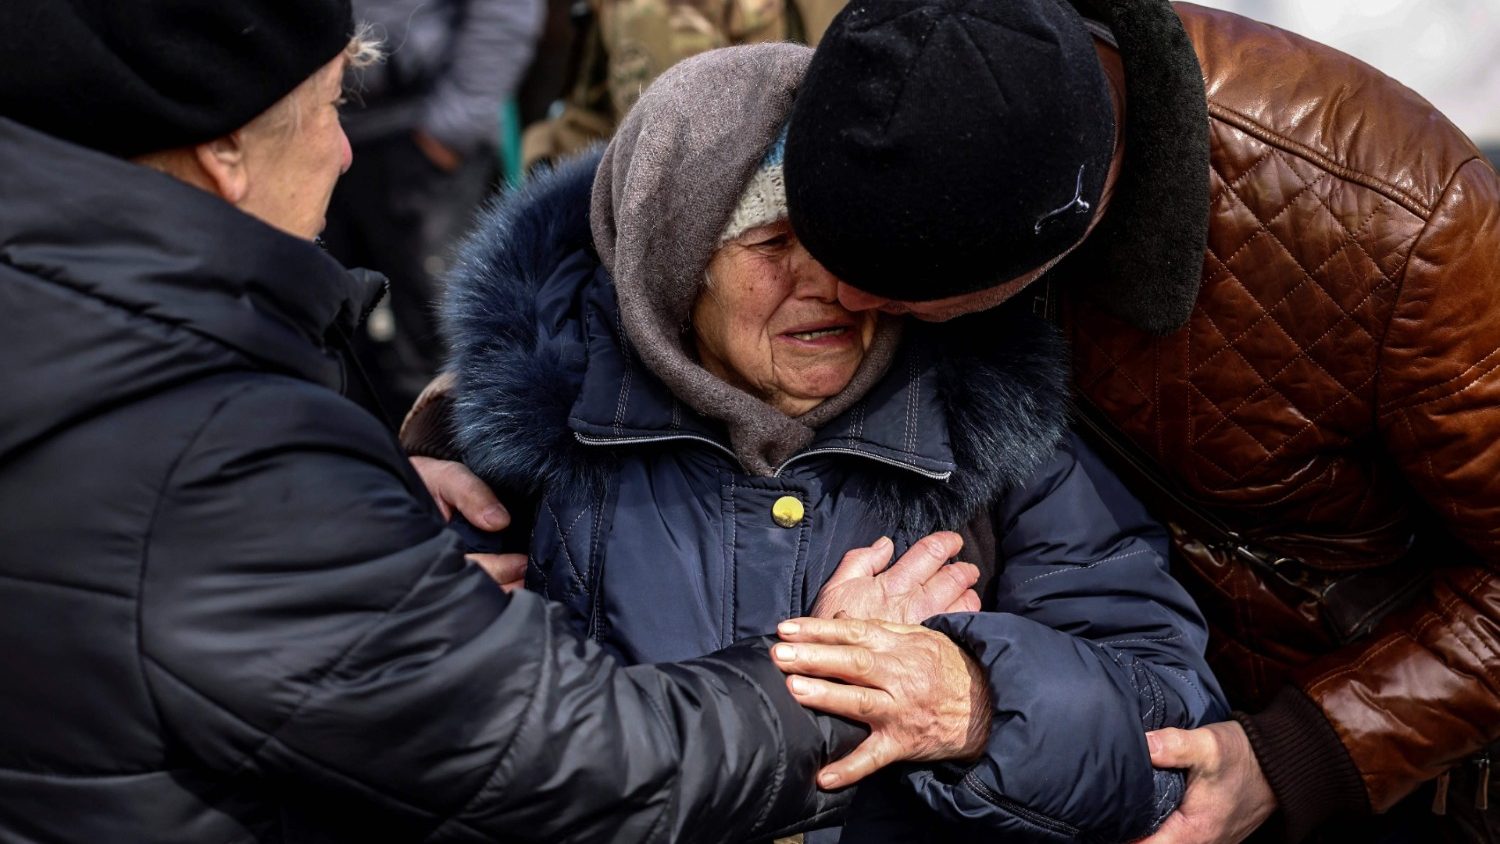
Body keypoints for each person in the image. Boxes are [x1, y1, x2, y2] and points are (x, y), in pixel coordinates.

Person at [0, 2, 988, 840]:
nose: (344, 150)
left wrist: (360, 509)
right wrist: (840, 681)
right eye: (331, 104)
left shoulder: (89, 337)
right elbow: (566, 755)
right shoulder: (222, 448)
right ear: (221, 149)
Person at [432, 41, 1225, 842]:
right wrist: (817, 684)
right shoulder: (530, 443)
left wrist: (977, 699)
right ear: (674, 259)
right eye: (772, 242)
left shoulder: (994, 427)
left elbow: (1173, 730)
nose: (828, 284)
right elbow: (451, 747)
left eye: (846, 236)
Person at [771, 0, 1500, 841]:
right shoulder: (923, 77)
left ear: (1060, 234)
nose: (845, 297)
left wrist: (1300, 752)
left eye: (901, 288)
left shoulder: (1404, 223)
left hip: (1376, 776)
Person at [323, 0, 545, 414]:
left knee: (439, 342)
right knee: (331, 334)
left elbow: (505, 14)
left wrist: (451, 131)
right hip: (327, 134)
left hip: (428, 137)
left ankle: (451, 448)